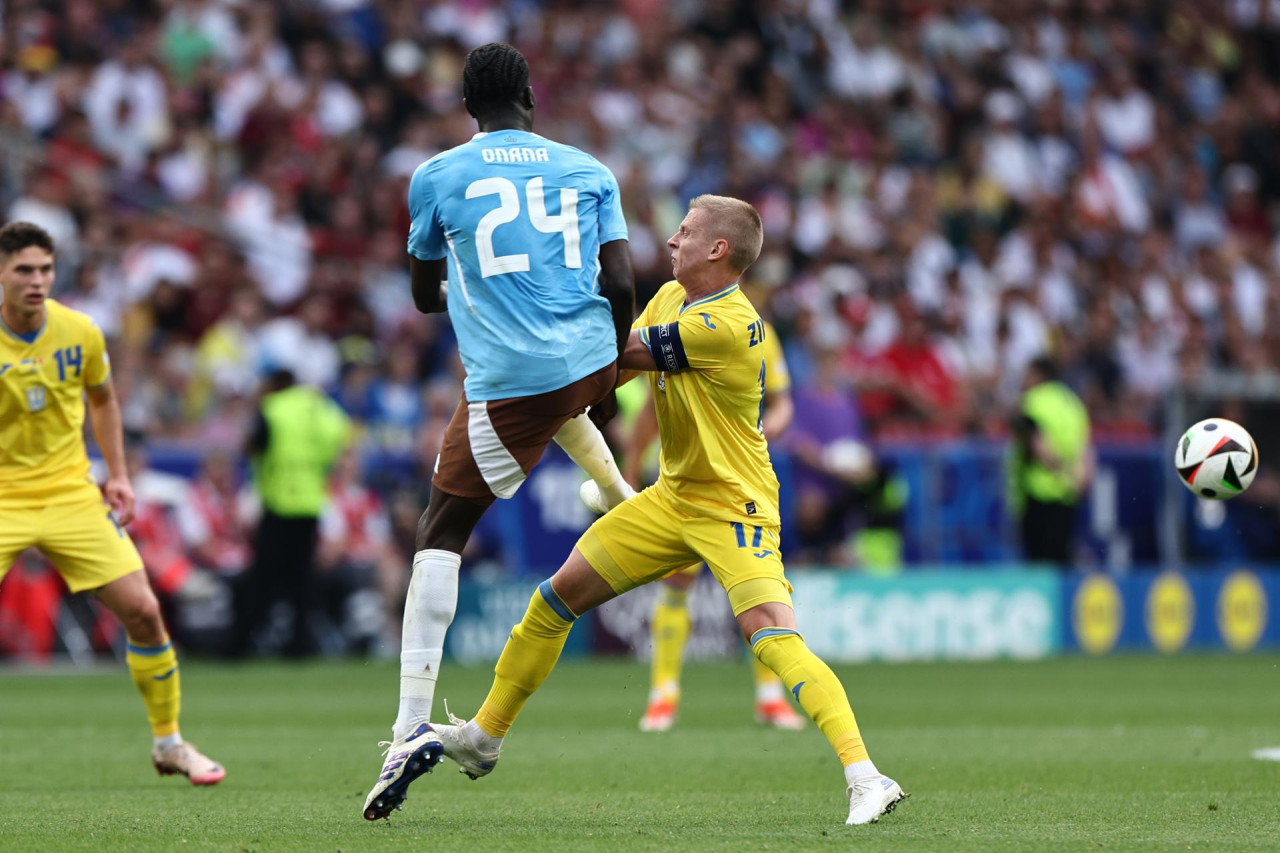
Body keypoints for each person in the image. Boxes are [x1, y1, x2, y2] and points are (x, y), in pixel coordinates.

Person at [430, 196, 906, 827]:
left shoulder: (731, 325)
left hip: (735, 505)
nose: (672, 239)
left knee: (769, 633)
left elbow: (616, 356)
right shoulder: (666, 299)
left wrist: (523, 317)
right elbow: (608, 381)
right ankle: (485, 737)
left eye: (685, 232)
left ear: (719, 250)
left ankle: (867, 777)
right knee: (555, 598)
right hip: (672, 495)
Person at [362, 43, 637, 820]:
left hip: (511, 380)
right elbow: (620, 282)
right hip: (587, 356)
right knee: (560, 389)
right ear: (529, 95)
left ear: (466, 103)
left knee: (438, 531)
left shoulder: (437, 175)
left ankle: (408, 723)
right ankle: (618, 492)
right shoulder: (589, 169)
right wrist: (612, 373)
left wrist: (471, 273)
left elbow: (422, 296)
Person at [0, 221, 225, 785]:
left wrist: (118, 474)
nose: (36, 280)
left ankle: (170, 743)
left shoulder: (80, 332)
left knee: (145, 612)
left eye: (44, 269)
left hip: (69, 493)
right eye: (23, 270)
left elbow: (102, 399)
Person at [608, 314, 804, 732]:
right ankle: (663, 694)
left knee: (759, 592)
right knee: (677, 586)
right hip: (688, 487)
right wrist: (630, 467)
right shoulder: (685, 328)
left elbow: (783, 401)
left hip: (741, 490)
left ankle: (770, 698)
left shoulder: (761, 332)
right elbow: (650, 410)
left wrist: (763, 432)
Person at [230, 368, 351, 657]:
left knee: (264, 577)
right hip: (310, 502)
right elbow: (341, 433)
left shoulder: (273, 408)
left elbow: (253, 445)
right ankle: (300, 645)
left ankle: (240, 644)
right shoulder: (319, 406)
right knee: (302, 580)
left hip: (279, 501)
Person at [1009, 355, 1093, 566]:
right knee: (1061, 558)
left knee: (1039, 562)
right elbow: (1085, 447)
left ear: (1039, 375)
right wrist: (1079, 478)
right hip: (1068, 492)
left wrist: (1059, 469)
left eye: (1027, 375)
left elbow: (1038, 444)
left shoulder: (1034, 400)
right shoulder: (1073, 403)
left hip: (1038, 491)